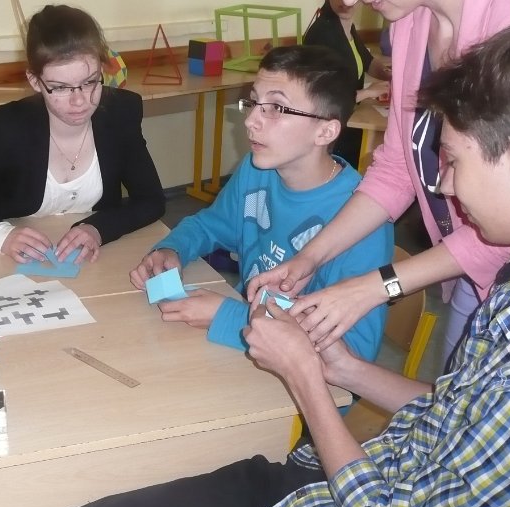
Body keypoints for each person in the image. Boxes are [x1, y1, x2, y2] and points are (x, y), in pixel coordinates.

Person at [37, 15, 510, 507]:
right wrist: (345, 368)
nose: (443, 188)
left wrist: (306, 373)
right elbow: (453, 415)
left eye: (453, 160)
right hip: (329, 494)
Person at [247, 0, 510, 368]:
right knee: (458, 392)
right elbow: (396, 169)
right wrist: (310, 257)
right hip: (473, 270)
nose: (352, 1)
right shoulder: (409, 22)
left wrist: (375, 287)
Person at [129, 44, 392, 361]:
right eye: (254, 102)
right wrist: (173, 249)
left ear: (325, 131)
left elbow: (353, 356)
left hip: (302, 378)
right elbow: (210, 225)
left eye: (276, 108)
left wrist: (231, 318)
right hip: (250, 347)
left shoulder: (363, 219)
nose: (251, 120)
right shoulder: (257, 170)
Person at [0, 5, 165, 265]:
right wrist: (2, 235)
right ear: (35, 81)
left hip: (92, 261)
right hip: (12, 264)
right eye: (60, 88)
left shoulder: (120, 114)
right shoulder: (8, 129)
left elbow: (151, 200)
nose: (79, 101)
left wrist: (98, 229)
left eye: (90, 82)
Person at [303, 0, 391, 165]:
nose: (345, 2)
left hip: (348, 115)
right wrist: (369, 92)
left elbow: (367, 61)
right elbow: (326, 95)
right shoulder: (322, 33)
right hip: (331, 128)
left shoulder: (346, 26)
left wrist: (391, 76)